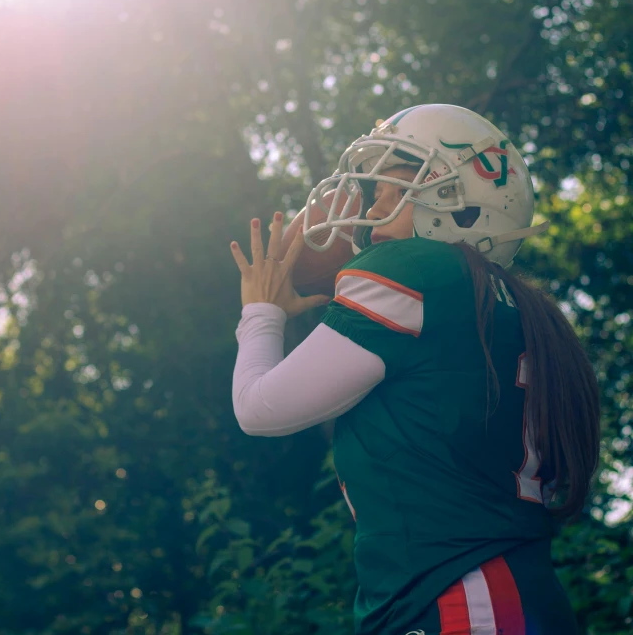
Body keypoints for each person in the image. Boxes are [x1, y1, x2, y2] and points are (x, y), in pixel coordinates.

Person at [230, 104, 600, 635]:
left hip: (462, 596)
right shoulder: (515, 303)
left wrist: (260, 312)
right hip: (496, 590)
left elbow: (259, 408)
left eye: (391, 189)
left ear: (453, 201)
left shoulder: (419, 268)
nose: (372, 206)